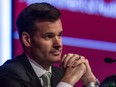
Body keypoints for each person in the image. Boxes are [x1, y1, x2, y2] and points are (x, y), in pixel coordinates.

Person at [0, 2, 99, 87]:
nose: (58, 44)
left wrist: (89, 81)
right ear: (27, 40)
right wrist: (67, 82)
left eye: (60, 35)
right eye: (48, 36)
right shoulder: (8, 74)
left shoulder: (59, 74)